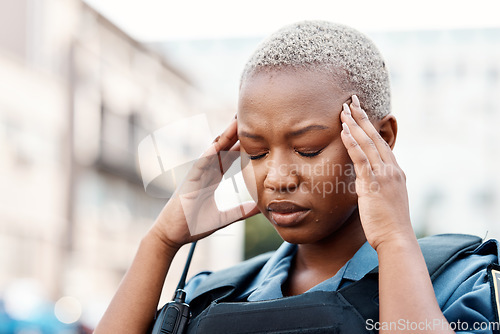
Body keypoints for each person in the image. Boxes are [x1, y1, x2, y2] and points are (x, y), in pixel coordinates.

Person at [95, 21, 499, 333]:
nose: (277, 177)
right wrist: (161, 242)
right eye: (256, 152)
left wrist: (394, 241)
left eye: (308, 149)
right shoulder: (213, 294)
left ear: (382, 138)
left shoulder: (453, 282)